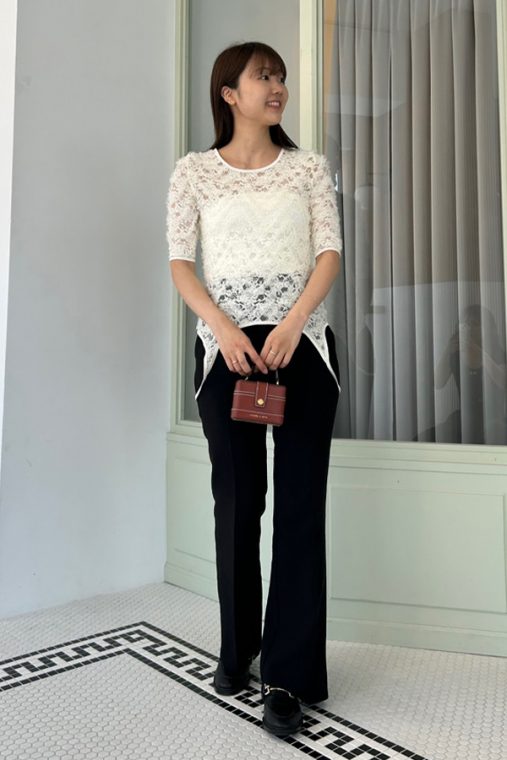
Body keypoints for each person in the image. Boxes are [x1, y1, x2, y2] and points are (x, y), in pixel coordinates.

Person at [166, 41, 343, 738]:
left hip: (303, 348)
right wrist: (222, 327)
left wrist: (294, 323)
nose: (277, 87)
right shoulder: (193, 173)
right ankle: (237, 649)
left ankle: (289, 676)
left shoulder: (308, 168)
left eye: (281, 78)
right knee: (238, 505)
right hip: (226, 351)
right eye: (263, 76)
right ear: (228, 93)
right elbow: (181, 263)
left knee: (299, 510)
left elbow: (327, 252)